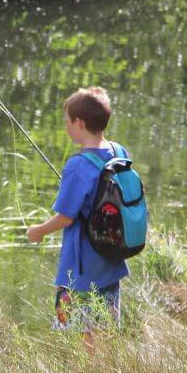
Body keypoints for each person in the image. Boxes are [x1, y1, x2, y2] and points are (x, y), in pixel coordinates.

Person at [26, 86, 129, 344]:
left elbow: (66, 216)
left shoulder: (77, 165)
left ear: (79, 123)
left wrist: (38, 231)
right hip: (112, 260)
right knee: (102, 332)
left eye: (67, 122)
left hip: (80, 269)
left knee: (78, 338)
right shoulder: (119, 152)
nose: (66, 128)